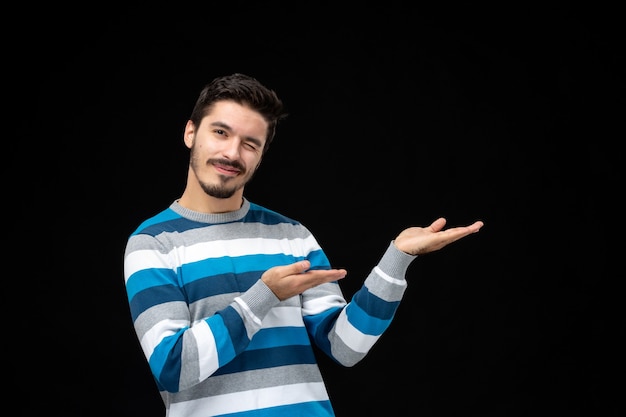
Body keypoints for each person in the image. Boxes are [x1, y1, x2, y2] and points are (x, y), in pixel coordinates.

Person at [123, 72, 484, 417]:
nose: (232, 153)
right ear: (190, 132)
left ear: (261, 155)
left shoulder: (290, 234)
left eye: (250, 144)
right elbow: (173, 366)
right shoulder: (152, 243)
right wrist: (263, 295)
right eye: (220, 132)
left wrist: (397, 258)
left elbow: (346, 347)